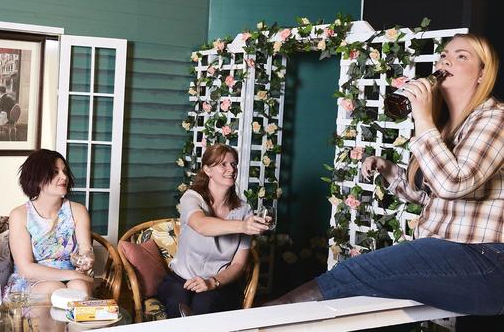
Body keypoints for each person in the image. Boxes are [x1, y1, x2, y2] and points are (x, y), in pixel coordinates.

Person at [265, 33, 504, 317]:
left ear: (483, 73)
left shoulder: (495, 117)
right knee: (373, 309)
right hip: (448, 258)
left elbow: (453, 184)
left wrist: (423, 119)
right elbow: (430, 195)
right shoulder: (446, 128)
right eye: (443, 55)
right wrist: (389, 170)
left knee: (355, 272)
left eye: (461, 56)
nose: (446, 60)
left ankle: (269, 315)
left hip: (486, 263)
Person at [157, 143, 270, 318]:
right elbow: (201, 225)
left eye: (233, 164)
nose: (231, 169)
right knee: (178, 306)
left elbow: (238, 265)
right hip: (181, 279)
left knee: (204, 304)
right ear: (208, 170)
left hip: (220, 282)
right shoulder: (192, 197)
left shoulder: (244, 210)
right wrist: (243, 226)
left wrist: (212, 282)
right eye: (223, 164)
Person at [5, 149, 94, 300]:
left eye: (64, 171)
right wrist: (71, 274)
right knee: (53, 288)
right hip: (33, 281)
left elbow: (85, 248)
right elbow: (26, 269)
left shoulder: (78, 211)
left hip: (74, 279)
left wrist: (87, 257)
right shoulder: (19, 215)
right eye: (55, 172)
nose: (64, 177)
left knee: (79, 287)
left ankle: (79, 324)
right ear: (37, 179)